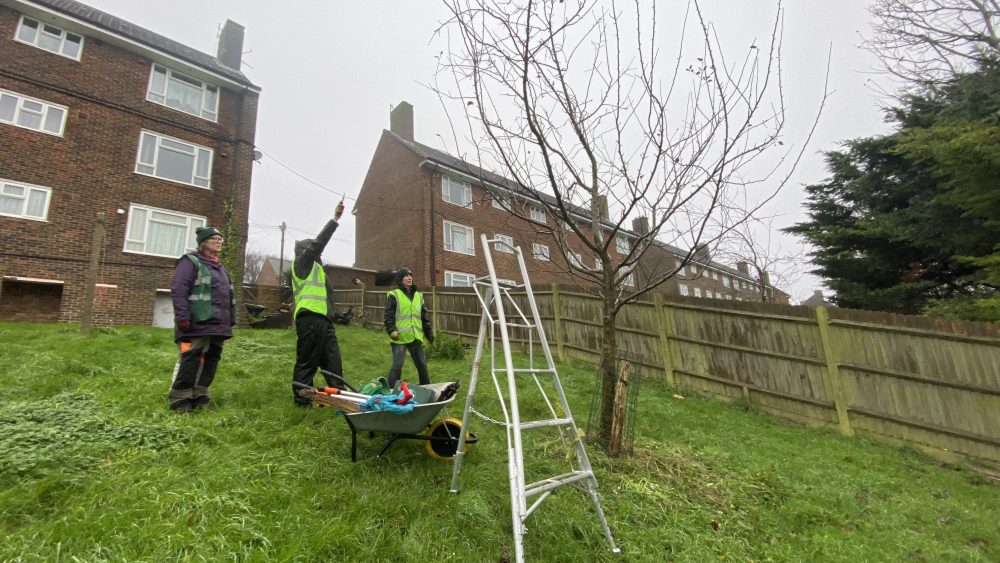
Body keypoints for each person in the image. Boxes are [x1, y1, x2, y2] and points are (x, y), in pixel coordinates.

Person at [168, 227, 236, 412]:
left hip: (218, 326)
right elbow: (179, 289)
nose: (219, 241)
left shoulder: (220, 268)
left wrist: (230, 319)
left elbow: (226, 297)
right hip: (195, 324)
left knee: (211, 360)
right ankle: (180, 399)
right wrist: (183, 317)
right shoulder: (190, 262)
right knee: (190, 360)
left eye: (220, 238)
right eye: (214, 238)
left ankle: (200, 396)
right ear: (203, 243)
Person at [291, 200, 346, 406]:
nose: (319, 255)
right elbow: (317, 244)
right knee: (307, 363)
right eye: (316, 253)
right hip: (309, 320)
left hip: (324, 322)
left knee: (333, 363)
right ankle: (302, 402)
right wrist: (335, 219)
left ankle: (337, 399)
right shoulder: (302, 264)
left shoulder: (318, 271)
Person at [384, 267, 433, 388]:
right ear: (400, 279)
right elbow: (388, 316)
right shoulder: (394, 295)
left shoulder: (419, 296)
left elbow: (424, 317)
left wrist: (429, 333)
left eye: (410, 275)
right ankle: (390, 392)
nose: (409, 277)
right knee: (397, 366)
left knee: (422, 365)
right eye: (406, 276)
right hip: (399, 337)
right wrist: (391, 330)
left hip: (415, 337)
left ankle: (427, 389)